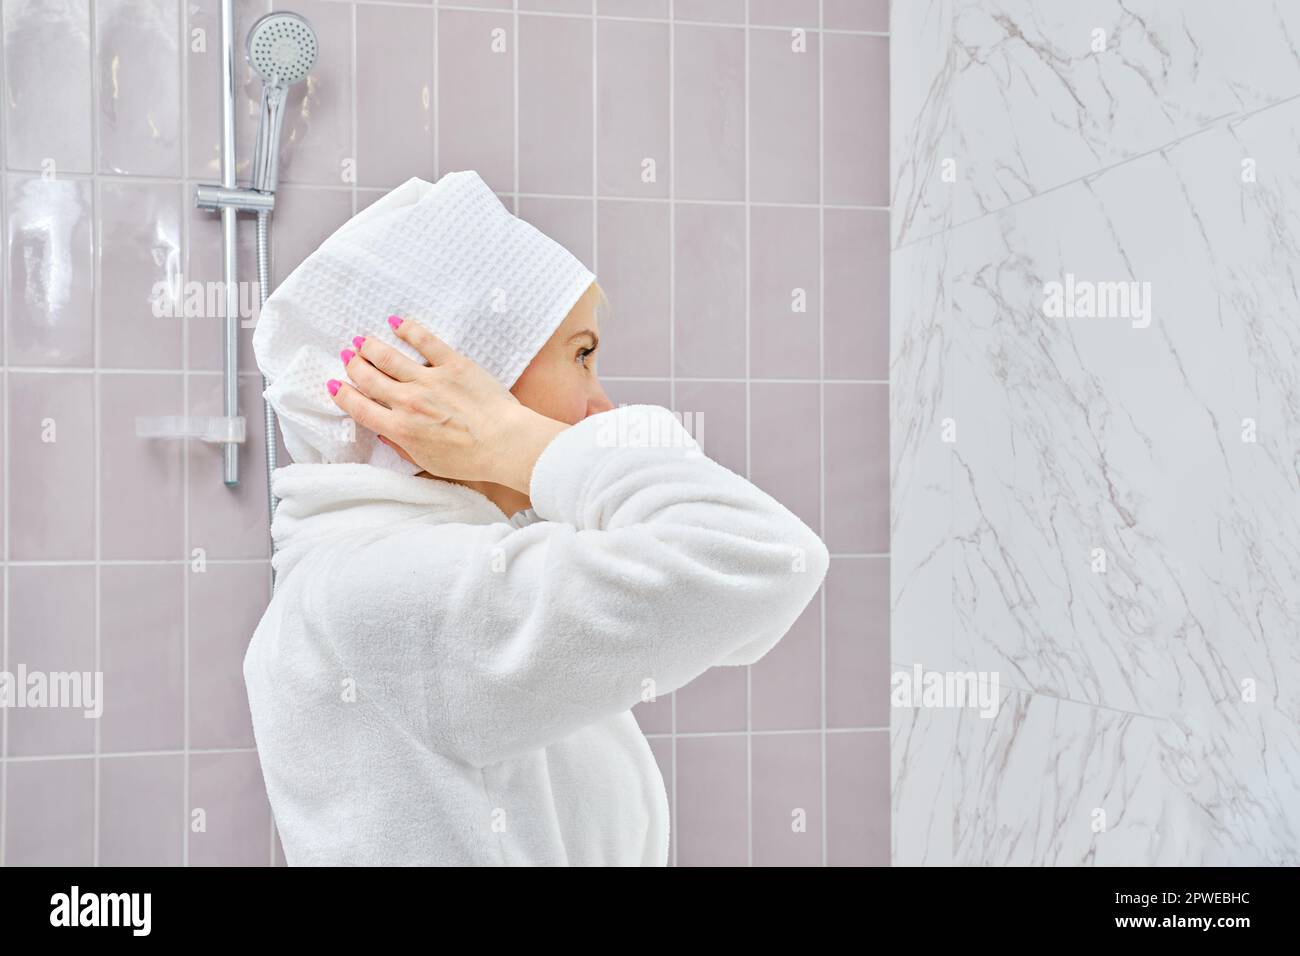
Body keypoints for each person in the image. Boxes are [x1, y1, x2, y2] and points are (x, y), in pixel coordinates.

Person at [243, 170, 830, 866]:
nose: (602, 406)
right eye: (581, 355)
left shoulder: (392, 568)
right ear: (457, 379)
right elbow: (760, 555)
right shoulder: (386, 590)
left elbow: (735, 617)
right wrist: (519, 440)